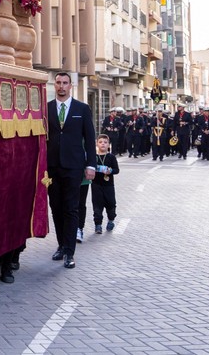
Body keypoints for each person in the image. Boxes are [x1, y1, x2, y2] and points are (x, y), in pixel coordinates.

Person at [45, 72, 95, 269]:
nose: (61, 86)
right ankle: (61, 245)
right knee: (56, 208)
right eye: (58, 83)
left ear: (71, 86)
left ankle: (70, 251)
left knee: (71, 208)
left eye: (65, 83)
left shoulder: (82, 109)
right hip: (52, 167)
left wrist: (90, 165)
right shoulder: (46, 108)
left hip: (74, 167)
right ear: (54, 85)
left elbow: (90, 139)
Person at [91, 134, 120, 234]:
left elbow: (117, 170)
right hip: (96, 184)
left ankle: (111, 220)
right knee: (97, 205)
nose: (103, 144)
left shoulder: (111, 157)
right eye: (100, 142)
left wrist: (110, 171)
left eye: (105, 142)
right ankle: (98, 225)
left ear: (109, 145)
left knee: (111, 204)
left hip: (108, 185)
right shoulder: (93, 156)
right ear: (97, 144)